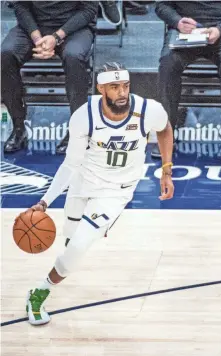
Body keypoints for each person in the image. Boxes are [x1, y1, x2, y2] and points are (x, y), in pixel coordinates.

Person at [23, 62, 175, 325]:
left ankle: (39, 291)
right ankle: (69, 256)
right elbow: (70, 164)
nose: (122, 93)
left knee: (79, 247)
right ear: (101, 88)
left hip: (116, 191)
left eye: (125, 86)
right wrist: (45, 201)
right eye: (114, 87)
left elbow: (164, 128)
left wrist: (166, 169)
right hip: (83, 183)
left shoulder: (148, 110)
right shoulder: (85, 116)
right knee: (71, 244)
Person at [153, 1, 221, 168]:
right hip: (184, 30)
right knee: (167, 62)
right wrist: (177, 21)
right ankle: (166, 132)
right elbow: (162, 5)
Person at [1, 1, 98, 154]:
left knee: (74, 56)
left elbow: (89, 10)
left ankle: (78, 131)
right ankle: (19, 128)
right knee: (6, 54)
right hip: (34, 27)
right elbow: (20, 5)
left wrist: (56, 37)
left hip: (73, 28)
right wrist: (37, 37)